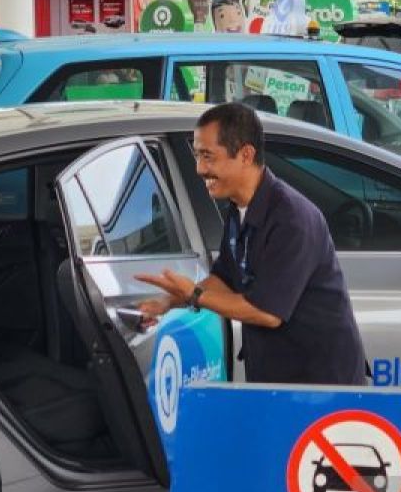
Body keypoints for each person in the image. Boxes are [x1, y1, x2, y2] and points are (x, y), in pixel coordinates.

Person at [137, 103, 366, 385]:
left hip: (320, 383)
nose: (199, 169)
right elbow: (225, 278)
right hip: (276, 376)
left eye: (208, 157)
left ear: (246, 154)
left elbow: (268, 312)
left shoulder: (292, 219)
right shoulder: (239, 207)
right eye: (197, 156)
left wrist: (195, 295)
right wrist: (170, 300)